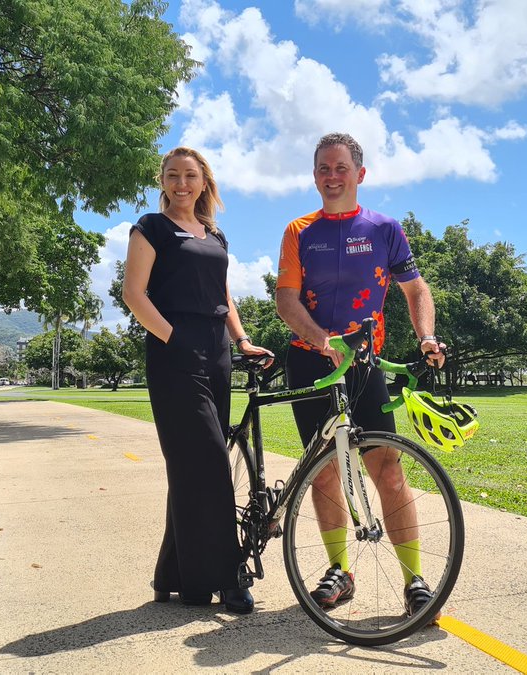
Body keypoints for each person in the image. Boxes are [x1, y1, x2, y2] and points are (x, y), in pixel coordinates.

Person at [275, 132, 446, 617]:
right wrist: (321, 340)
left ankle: (415, 580)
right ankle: (339, 571)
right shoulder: (298, 231)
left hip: (364, 361)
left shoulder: (384, 228)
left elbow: (416, 290)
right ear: (314, 176)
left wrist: (427, 337)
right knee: (325, 471)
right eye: (323, 169)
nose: (332, 177)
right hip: (310, 361)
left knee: (387, 470)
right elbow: (286, 299)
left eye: (341, 168)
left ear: (360, 174)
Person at [122, 146, 273, 614]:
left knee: (194, 466)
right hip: (174, 351)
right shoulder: (151, 228)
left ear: (204, 181)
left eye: (190, 175)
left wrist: (242, 340)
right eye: (173, 175)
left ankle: (174, 575)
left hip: (218, 351)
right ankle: (227, 576)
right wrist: (173, 338)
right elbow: (134, 294)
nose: (181, 184)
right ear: (163, 182)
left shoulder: (215, 234)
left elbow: (222, 294)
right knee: (208, 461)